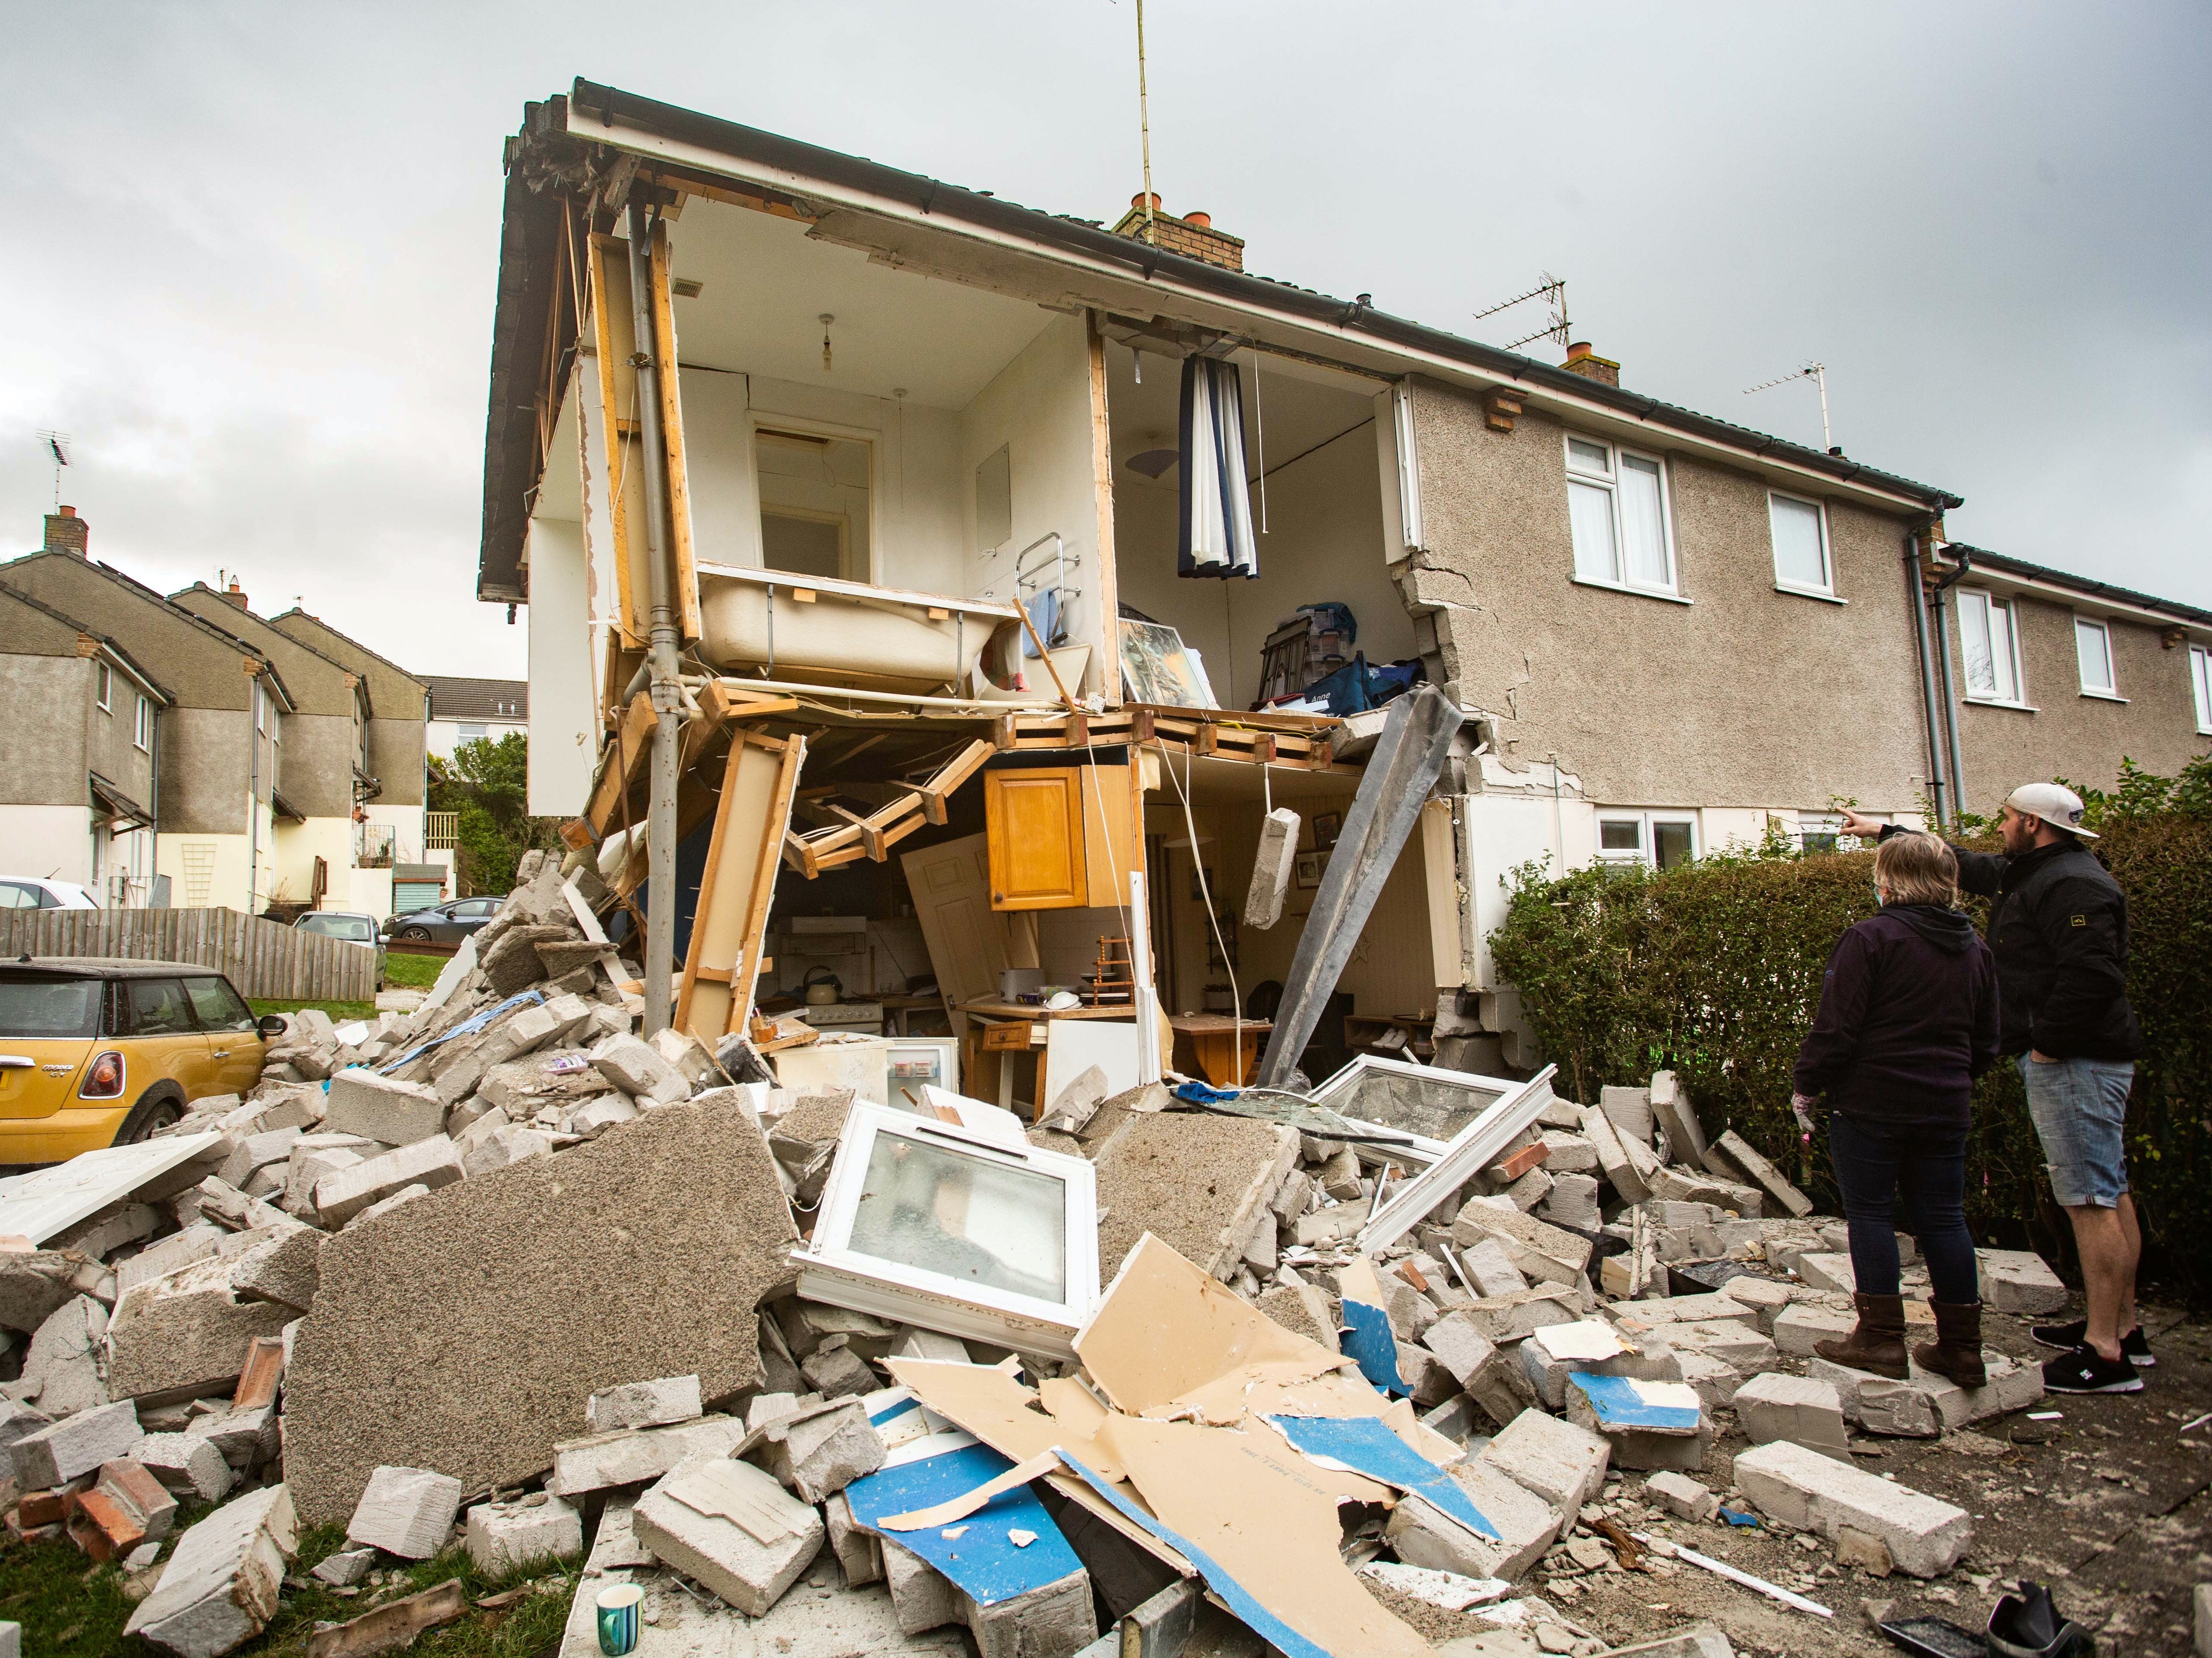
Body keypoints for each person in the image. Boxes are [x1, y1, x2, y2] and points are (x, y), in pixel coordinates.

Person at [1841, 784, 2145, 1395]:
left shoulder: (2072, 885)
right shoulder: (2040, 871)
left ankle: (2105, 1354)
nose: (1999, 827)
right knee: (2108, 1188)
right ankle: (2122, 1326)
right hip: (2072, 1059)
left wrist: (2046, 1044)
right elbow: (1967, 865)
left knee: (2089, 1198)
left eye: (2007, 818)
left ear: (2033, 824)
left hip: (2077, 1060)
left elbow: (2093, 976)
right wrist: (1883, 831)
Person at [1792, 831, 1999, 1383]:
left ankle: (1881, 1339)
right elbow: (1988, 1038)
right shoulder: (1975, 947)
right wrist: (1952, 1079)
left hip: (1873, 1103)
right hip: (1945, 1104)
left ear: (1889, 881)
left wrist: (1806, 1087)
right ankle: (1963, 1347)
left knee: (1872, 1214)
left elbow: (1835, 1028)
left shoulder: (1872, 939)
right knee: (1944, 1216)